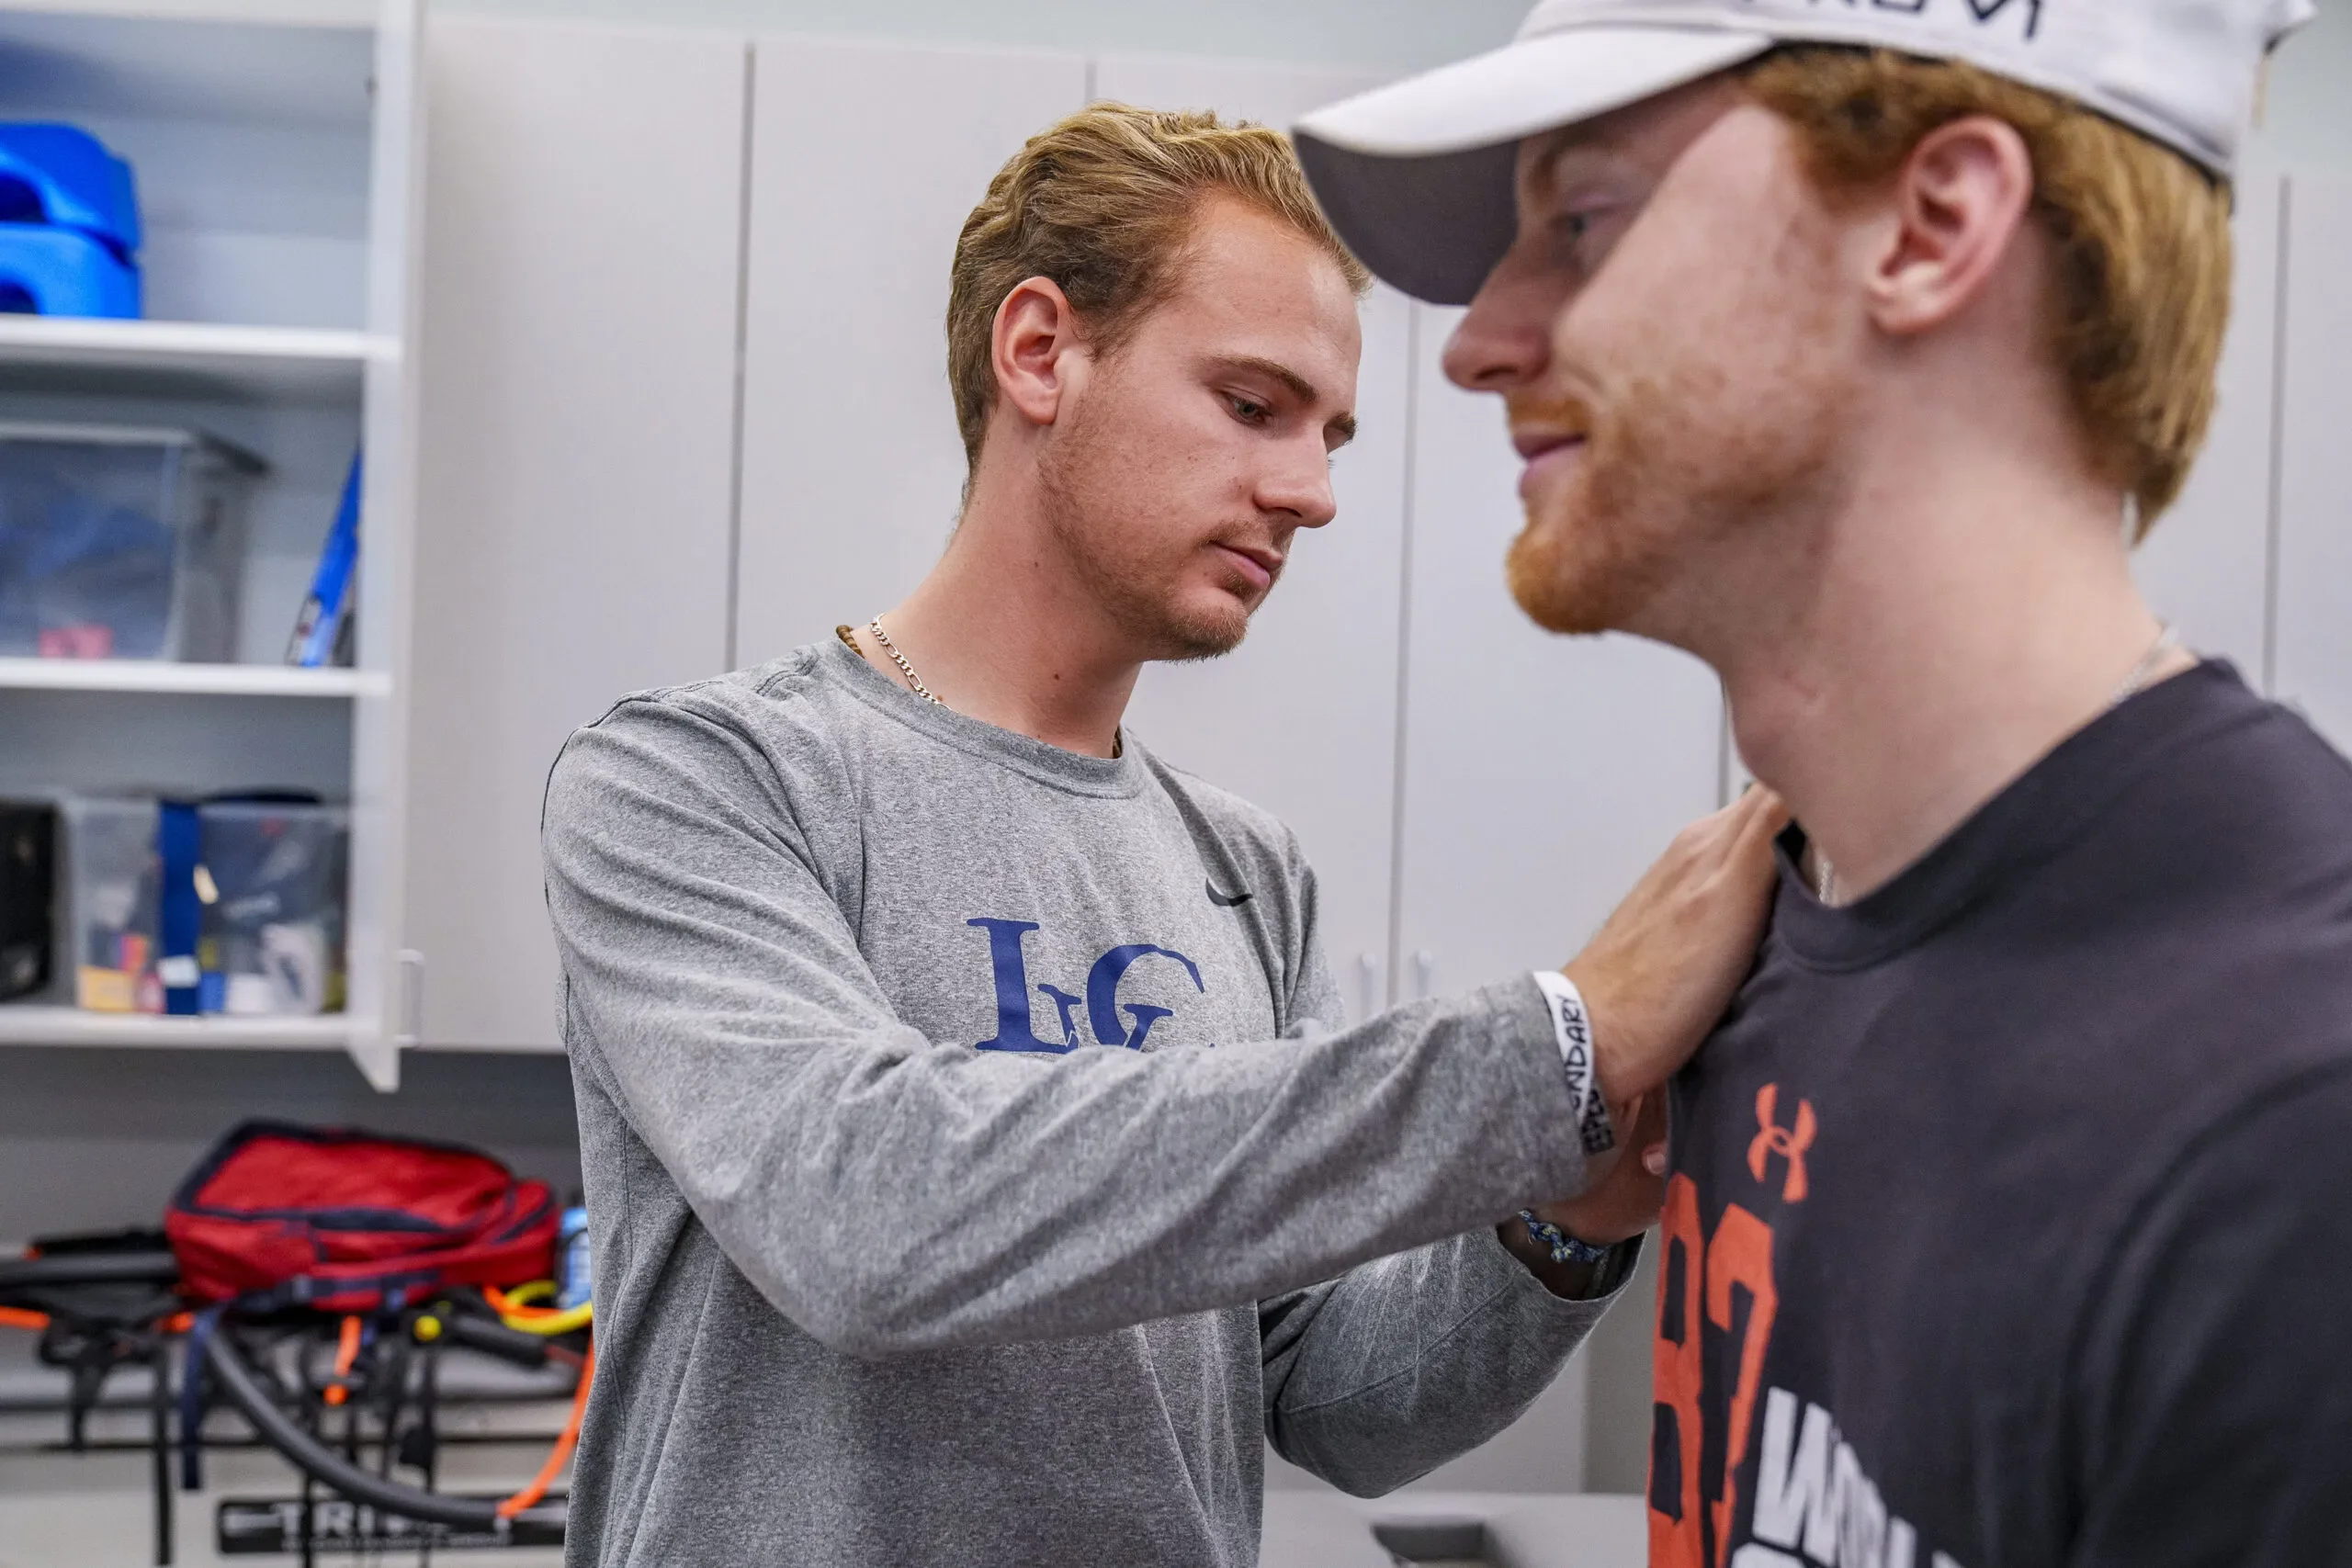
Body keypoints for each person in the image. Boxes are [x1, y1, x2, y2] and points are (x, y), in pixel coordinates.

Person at [540, 104, 1786, 1566]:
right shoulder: (701, 780)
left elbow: (1338, 1400)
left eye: (1328, 435)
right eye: (1253, 407)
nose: (1311, 494)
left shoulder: (1247, 873)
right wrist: (1555, 1042)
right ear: (1040, 351)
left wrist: (1555, 1226)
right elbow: (858, 1209)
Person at [1294, 1, 2347, 1565]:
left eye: (1582, 219)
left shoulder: (2290, 1121)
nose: (1472, 342)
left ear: (1930, 227)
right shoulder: (1760, 959)